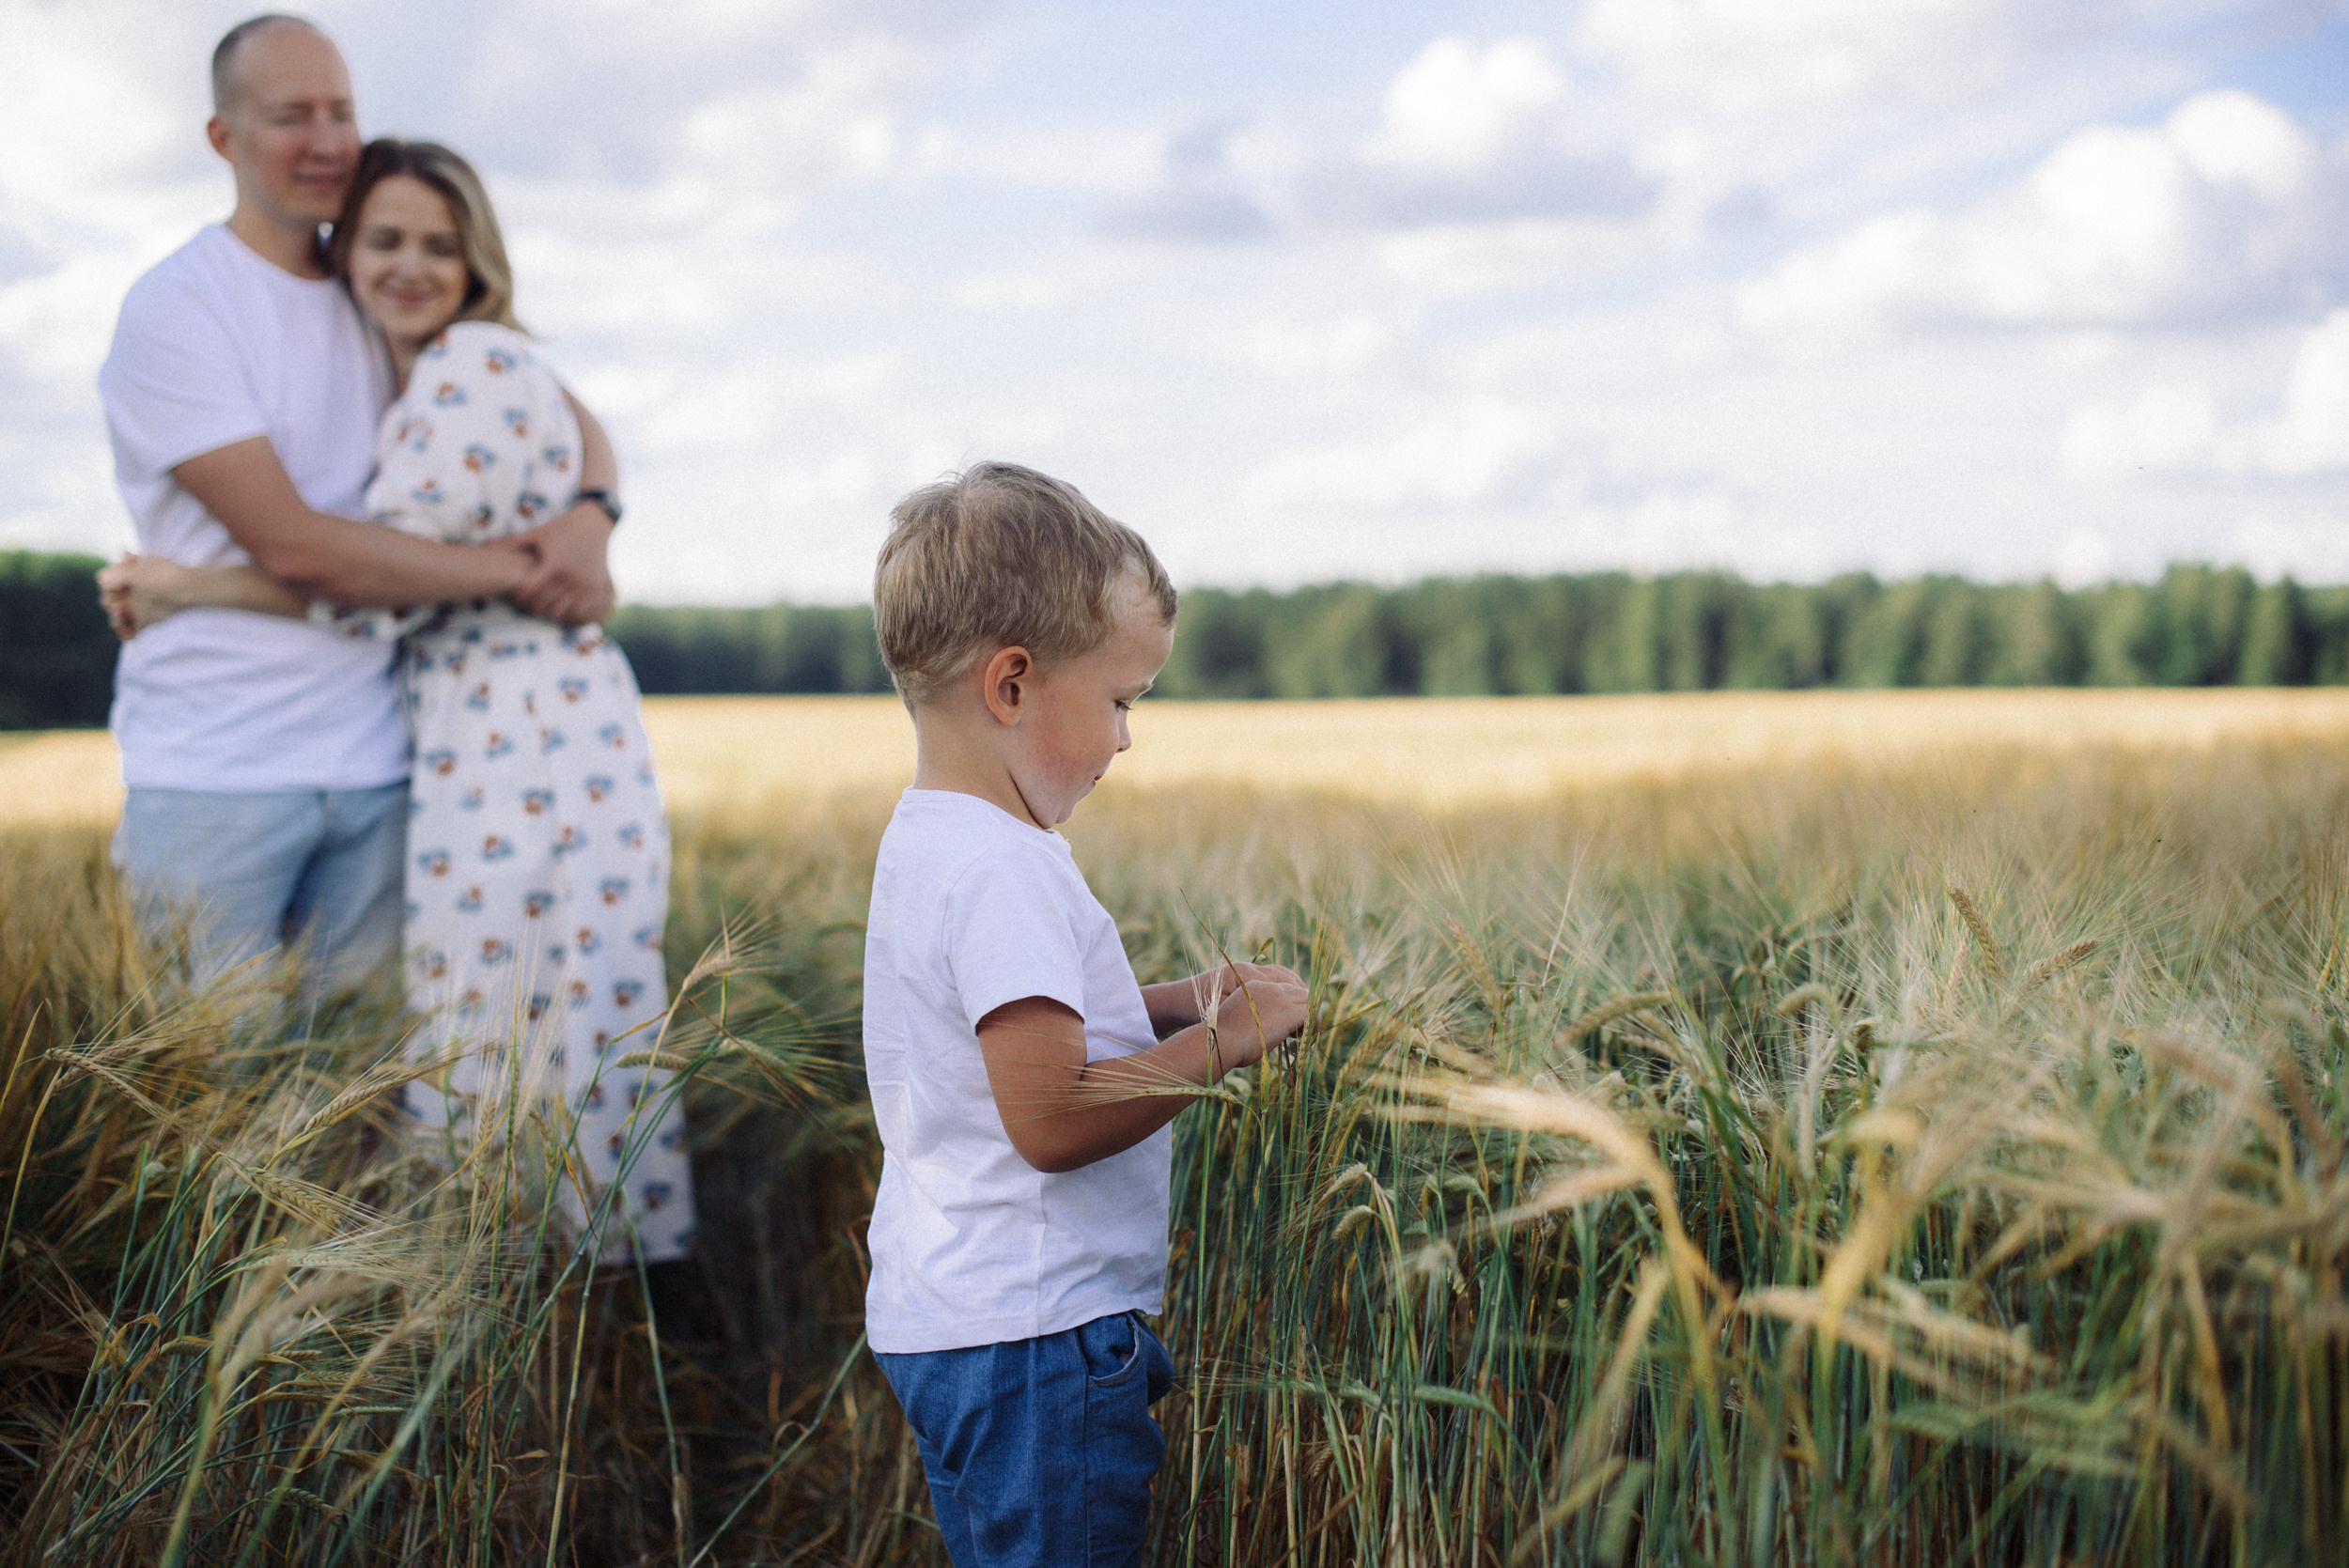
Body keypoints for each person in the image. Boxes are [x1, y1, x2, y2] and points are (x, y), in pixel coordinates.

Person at [103, 138, 693, 1265]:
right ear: (346, 251)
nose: (411, 265)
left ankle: (511, 1282)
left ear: (477, 261)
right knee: (557, 1002)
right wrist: (583, 521)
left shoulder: (464, 371)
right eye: (385, 240)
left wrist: (187, 585)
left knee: (498, 1007)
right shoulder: (448, 364)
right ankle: (557, 1279)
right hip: (528, 721)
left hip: (513, 733)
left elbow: (378, 583)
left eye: (439, 244)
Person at [96, 13, 620, 994]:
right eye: (292, 115)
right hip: (219, 771)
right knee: (206, 1075)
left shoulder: (374, 281)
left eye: (342, 112)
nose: (328, 140)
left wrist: (592, 516)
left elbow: (555, 396)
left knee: (359, 1080)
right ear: (224, 137)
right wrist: (531, 570)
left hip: (386, 766)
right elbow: (301, 549)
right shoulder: (181, 307)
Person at [860, 461, 1310, 1564]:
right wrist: (1221, 1044)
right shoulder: (1003, 869)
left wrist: (1171, 1004)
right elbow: (1051, 1116)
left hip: (956, 1315)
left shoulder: (932, 836)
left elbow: (993, 1035)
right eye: (1119, 701)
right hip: (1036, 1338)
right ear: (1012, 685)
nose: (1124, 738)